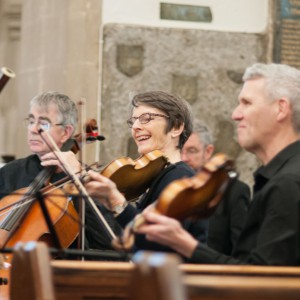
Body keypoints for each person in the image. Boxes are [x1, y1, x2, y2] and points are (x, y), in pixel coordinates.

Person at [134, 63, 300, 266]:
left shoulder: (288, 183)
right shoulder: (282, 177)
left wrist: (185, 244)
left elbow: (262, 282)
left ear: (281, 108)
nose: (235, 114)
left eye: (246, 103)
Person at [42, 90, 199, 252]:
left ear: (176, 127)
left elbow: (153, 244)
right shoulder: (158, 178)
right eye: (134, 121)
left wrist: (82, 177)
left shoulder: (180, 177)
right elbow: (111, 241)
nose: (136, 127)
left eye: (146, 119)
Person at [0, 91, 120, 251]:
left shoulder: (85, 179)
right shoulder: (10, 172)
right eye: (30, 121)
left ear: (66, 132)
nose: (33, 129)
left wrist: (80, 181)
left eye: (43, 124)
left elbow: (107, 242)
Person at [181, 121, 250, 255]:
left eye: (191, 151)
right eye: (180, 150)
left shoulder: (234, 191)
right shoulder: (170, 188)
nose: (184, 158)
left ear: (208, 152)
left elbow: (240, 252)